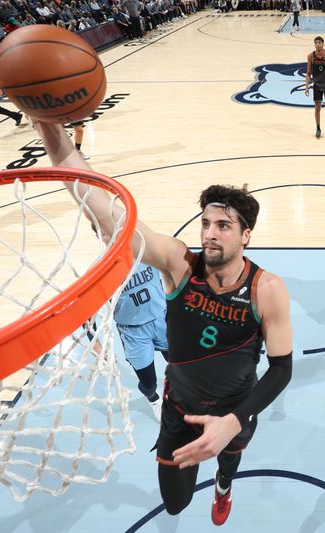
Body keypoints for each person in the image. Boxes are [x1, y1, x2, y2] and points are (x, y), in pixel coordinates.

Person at [34, 121, 293, 527]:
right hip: (180, 408)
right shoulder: (179, 265)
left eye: (223, 226)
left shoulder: (267, 288)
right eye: (206, 224)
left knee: (228, 464)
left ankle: (225, 487)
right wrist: (47, 126)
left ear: (246, 235)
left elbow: (281, 369)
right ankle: (210, 467)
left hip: (235, 408)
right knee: (175, 503)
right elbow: (107, 214)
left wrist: (234, 421)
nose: (210, 233)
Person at [114, 261, 169, 418]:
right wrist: (97, 348)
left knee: (181, 367)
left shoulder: (147, 251)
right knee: (149, 385)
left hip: (162, 319)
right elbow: (89, 316)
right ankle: (153, 400)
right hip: (134, 332)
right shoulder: (101, 269)